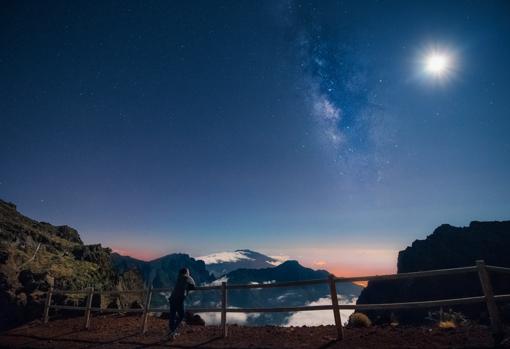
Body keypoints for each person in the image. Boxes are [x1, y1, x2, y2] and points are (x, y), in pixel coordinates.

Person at [168, 267, 196, 338]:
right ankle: (173, 331)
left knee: (172, 316)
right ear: (186, 272)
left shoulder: (179, 278)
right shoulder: (187, 278)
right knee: (181, 315)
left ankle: (172, 332)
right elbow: (193, 286)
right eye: (188, 272)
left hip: (172, 298)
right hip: (179, 299)